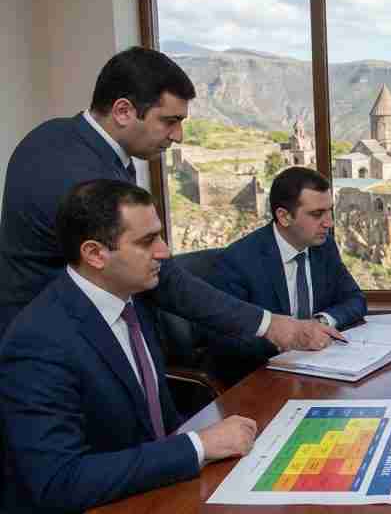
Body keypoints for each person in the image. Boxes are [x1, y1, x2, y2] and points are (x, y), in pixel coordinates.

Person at [0, 46, 336, 351]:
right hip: (61, 351)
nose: (178, 136)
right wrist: (270, 325)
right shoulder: (78, 172)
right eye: (170, 121)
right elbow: (164, 278)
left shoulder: (62, 138)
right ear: (123, 111)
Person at [0, 180, 259, 512]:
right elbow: (58, 480)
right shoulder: (37, 342)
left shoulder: (132, 300)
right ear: (95, 254)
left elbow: (153, 421)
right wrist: (198, 446)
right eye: (148, 241)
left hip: (154, 488)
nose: (164, 252)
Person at [206, 167, 367, 386]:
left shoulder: (323, 246)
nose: (329, 223)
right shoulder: (239, 260)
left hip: (320, 373)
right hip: (262, 381)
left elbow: (355, 300)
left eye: (330, 211)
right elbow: (225, 341)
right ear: (283, 216)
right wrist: (291, 336)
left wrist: (318, 323)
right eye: (317, 214)